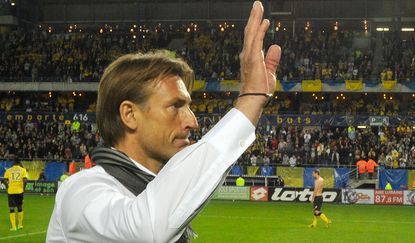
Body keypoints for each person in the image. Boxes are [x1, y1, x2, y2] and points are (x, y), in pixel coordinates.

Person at [47, 1, 281, 242]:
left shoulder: (156, 189)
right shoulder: (80, 191)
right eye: (175, 106)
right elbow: (145, 230)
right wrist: (250, 100)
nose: (193, 122)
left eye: (188, 107)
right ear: (130, 115)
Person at [4, 158, 28, 231]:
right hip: (19, 191)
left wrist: (8, 187)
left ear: (13, 162)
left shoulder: (8, 170)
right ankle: (20, 225)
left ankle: (14, 227)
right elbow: (25, 181)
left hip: (11, 191)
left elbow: (5, 180)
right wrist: (23, 189)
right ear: (19, 162)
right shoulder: (23, 170)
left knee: (12, 208)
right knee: (20, 207)